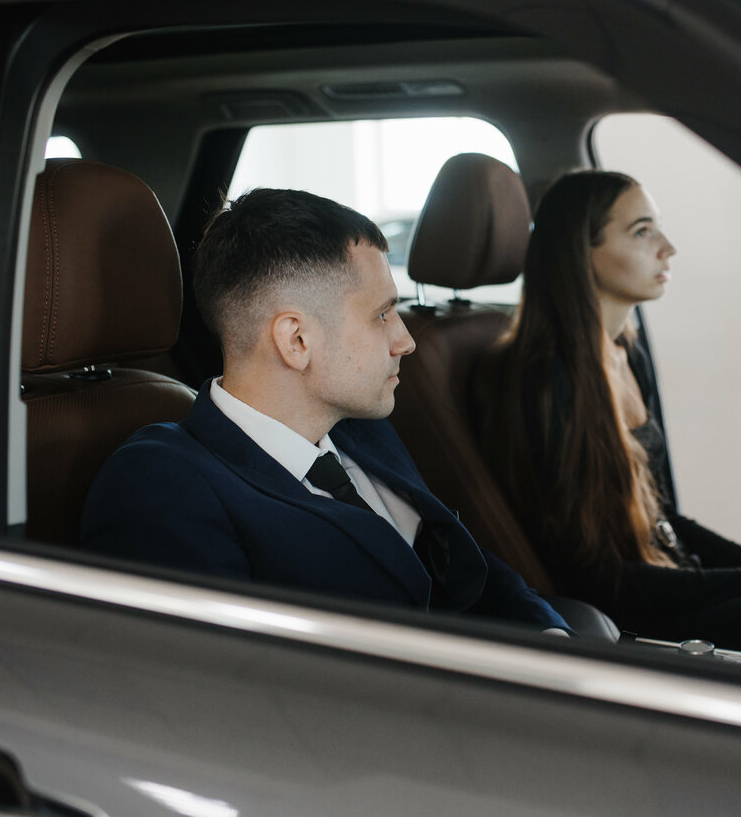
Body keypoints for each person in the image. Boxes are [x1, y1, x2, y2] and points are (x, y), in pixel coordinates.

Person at [81, 188, 568, 634]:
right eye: (382, 314)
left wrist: (549, 634)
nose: (406, 340)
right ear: (296, 340)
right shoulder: (161, 486)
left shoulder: (359, 428)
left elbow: (454, 561)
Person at [475, 170, 741, 653]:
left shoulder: (625, 354)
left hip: (671, 581)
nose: (668, 248)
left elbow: (663, 517)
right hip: (636, 618)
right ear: (582, 251)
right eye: (642, 232)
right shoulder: (544, 381)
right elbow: (595, 577)